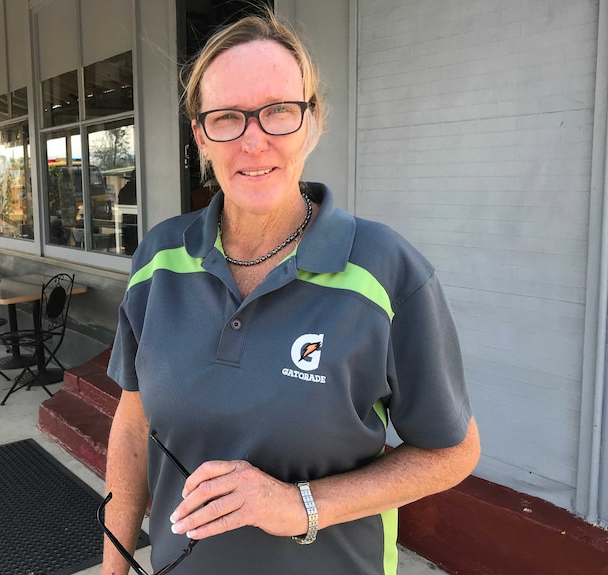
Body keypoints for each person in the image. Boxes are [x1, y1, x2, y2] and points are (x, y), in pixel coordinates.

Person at [101, 11, 480, 575]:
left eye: (278, 111)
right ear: (201, 135)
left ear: (313, 121)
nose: (254, 141)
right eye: (228, 117)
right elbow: (133, 428)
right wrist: (115, 567)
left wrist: (301, 505)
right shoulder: (158, 261)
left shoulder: (385, 270)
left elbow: (453, 451)